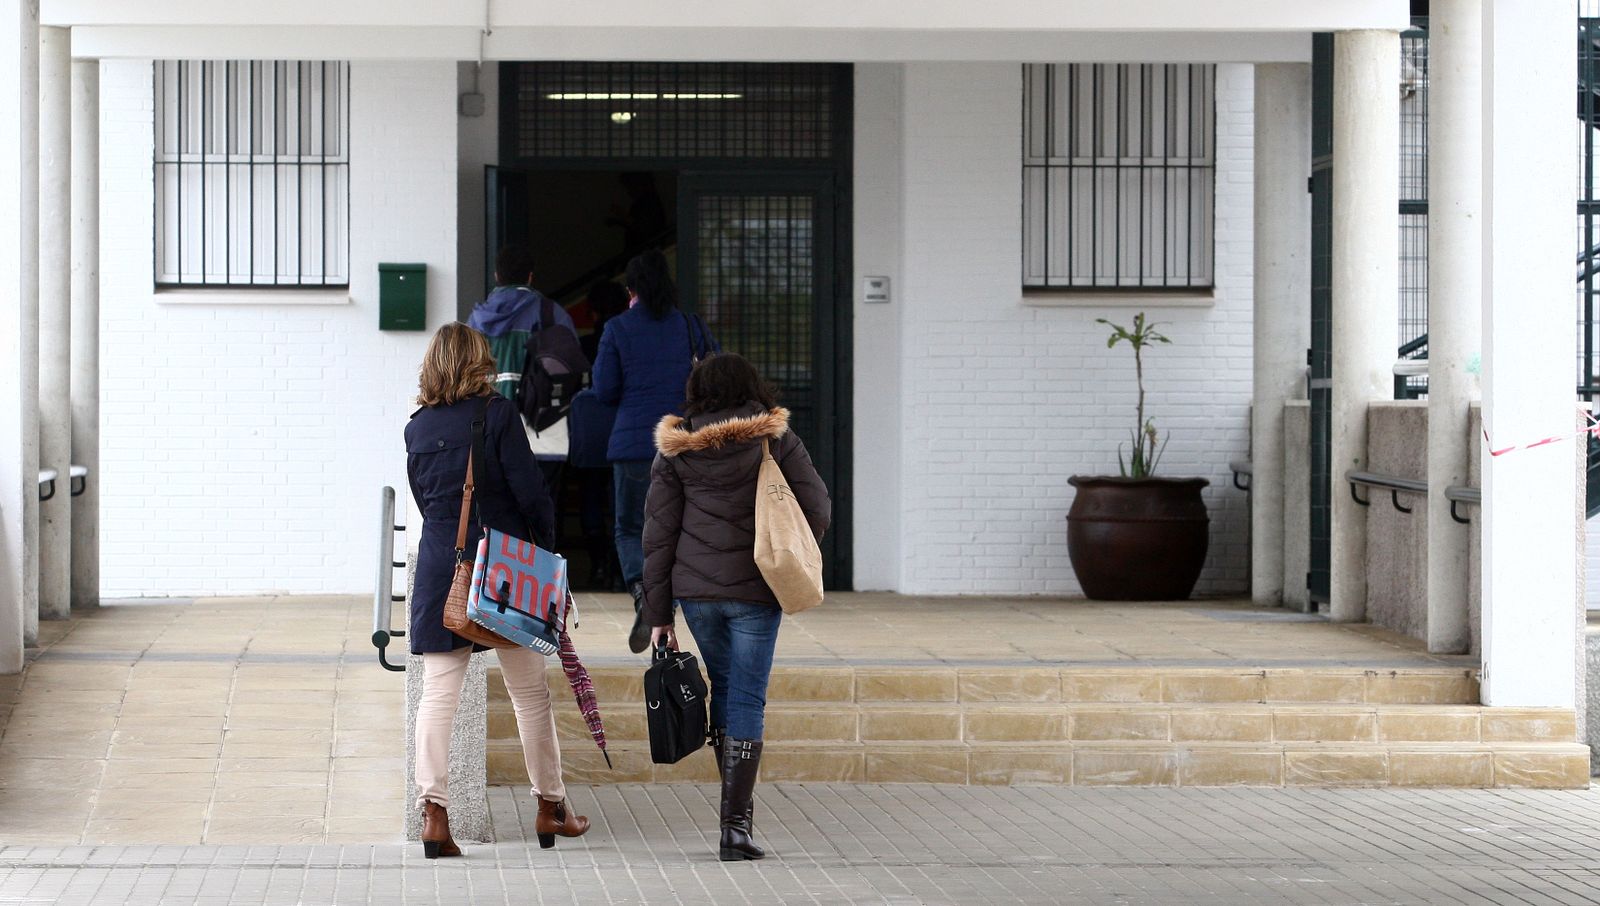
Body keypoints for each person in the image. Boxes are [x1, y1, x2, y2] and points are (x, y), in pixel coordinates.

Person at [404, 323, 589, 859]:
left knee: (438, 695)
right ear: (479, 361)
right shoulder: (499, 414)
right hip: (507, 569)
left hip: (444, 568)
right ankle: (550, 808)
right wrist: (548, 555)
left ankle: (435, 814)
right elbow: (532, 494)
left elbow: (426, 501)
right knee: (529, 695)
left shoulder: (416, 428)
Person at [641, 354, 831, 862]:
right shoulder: (773, 439)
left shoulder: (675, 451)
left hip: (697, 594)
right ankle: (735, 828)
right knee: (746, 697)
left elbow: (657, 537)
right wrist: (790, 549)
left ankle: (732, 817)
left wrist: (659, 613)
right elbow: (818, 507)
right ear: (751, 387)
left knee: (725, 688)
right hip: (756, 590)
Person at [591, 250, 718, 652]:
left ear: (631, 291)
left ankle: (642, 591)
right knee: (679, 525)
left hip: (634, 445)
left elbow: (604, 390)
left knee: (631, 526)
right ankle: (670, 598)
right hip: (683, 442)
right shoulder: (690, 327)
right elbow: (717, 377)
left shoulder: (617, 328)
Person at [467, 245, 580, 478]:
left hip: (489, 432)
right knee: (541, 510)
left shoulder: (475, 322)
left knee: (498, 510)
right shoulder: (552, 315)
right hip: (543, 436)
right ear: (530, 276)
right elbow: (573, 373)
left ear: (497, 276)